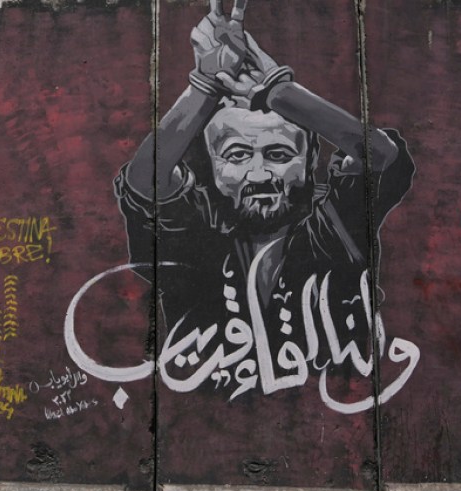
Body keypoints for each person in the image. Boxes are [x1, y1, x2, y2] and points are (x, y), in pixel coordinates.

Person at [115, 0, 415, 395]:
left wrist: (278, 91)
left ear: (310, 163)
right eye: (237, 155)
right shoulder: (195, 247)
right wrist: (205, 87)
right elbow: (145, 183)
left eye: (279, 154)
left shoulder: (337, 230)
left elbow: (382, 158)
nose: (259, 174)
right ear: (211, 167)